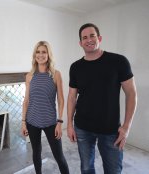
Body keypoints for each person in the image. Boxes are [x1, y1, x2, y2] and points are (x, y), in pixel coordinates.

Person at [67, 23, 137, 174]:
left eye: (92, 35)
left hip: (110, 130)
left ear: (99, 38)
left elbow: (131, 93)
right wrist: (70, 125)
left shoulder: (118, 61)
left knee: (113, 170)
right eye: (84, 37)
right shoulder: (75, 67)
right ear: (80, 43)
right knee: (86, 168)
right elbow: (72, 97)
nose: (89, 40)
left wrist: (126, 127)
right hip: (82, 127)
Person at [21, 41, 69, 174]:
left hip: (50, 122)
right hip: (32, 121)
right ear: (34, 55)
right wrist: (23, 122)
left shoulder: (55, 74)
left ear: (49, 55)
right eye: (38, 52)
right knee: (36, 152)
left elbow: (60, 99)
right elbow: (26, 101)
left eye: (43, 52)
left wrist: (59, 122)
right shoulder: (29, 76)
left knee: (59, 156)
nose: (40, 55)